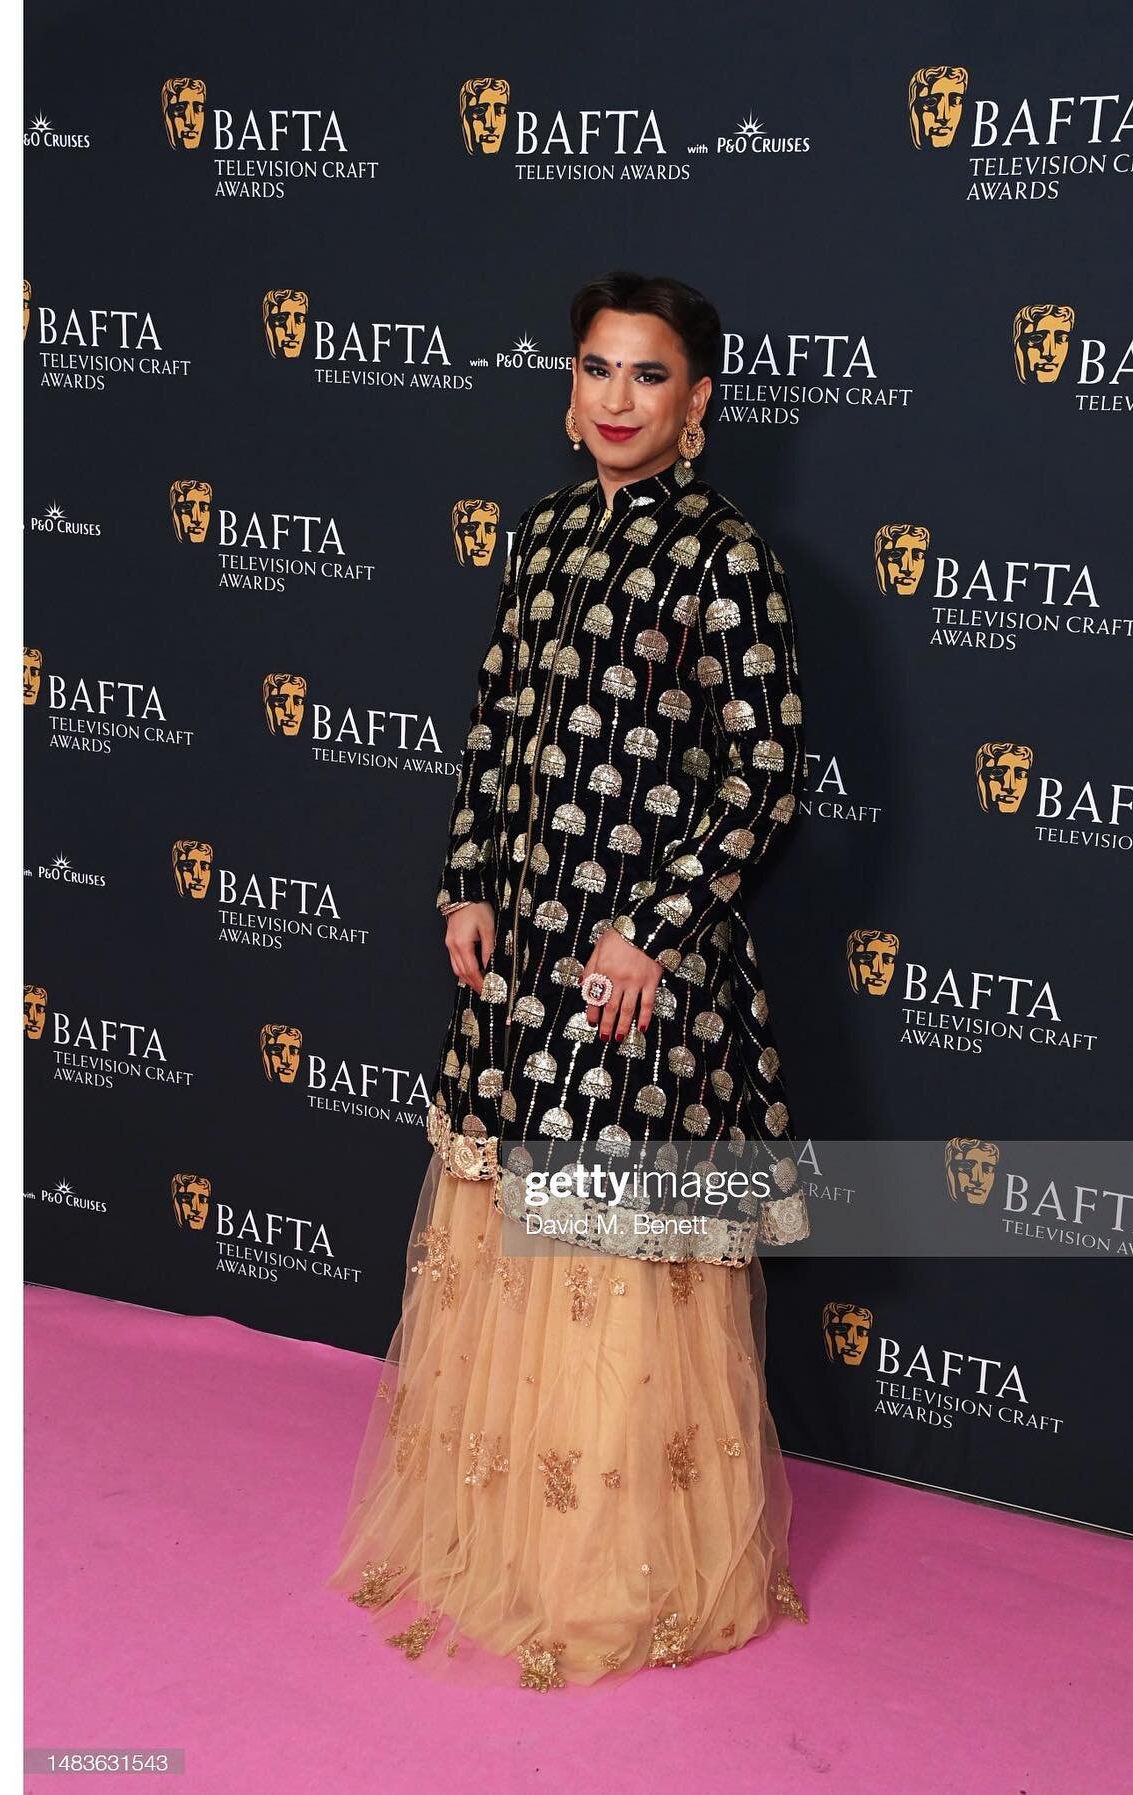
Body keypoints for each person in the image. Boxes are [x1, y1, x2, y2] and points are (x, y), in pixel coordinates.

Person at [325, 271, 810, 1690]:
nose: (616, 399)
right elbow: (494, 726)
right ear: (570, 384)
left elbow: (765, 777)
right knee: (512, 1240)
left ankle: (611, 1575)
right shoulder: (539, 535)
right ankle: (504, 1545)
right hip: (527, 953)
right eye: (597, 368)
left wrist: (650, 930)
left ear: (698, 400)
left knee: (613, 1256)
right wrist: (468, 882)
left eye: (648, 375)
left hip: (640, 972)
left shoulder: (727, 556)